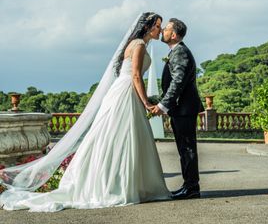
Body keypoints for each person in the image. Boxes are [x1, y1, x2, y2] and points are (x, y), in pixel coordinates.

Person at [0, 12, 170, 212]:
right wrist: (146, 102)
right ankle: (117, 185)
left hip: (122, 91)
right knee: (120, 136)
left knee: (115, 137)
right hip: (126, 92)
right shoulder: (139, 45)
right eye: (158, 26)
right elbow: (135, 75)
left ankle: (120, 183)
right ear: (148, 27)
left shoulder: (135, 44)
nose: (160, 29)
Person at [152, 18, 204, 199]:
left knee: (187, 148)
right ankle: (189, 186)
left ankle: (191, 188)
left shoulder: (180, 52)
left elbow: (178, 82)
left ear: (173, 34)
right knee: (184, 149)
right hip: (181, 109)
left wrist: (163, 105)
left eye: (165, 29)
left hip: (184, 109)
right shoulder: (176, 51)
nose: (163, 31)